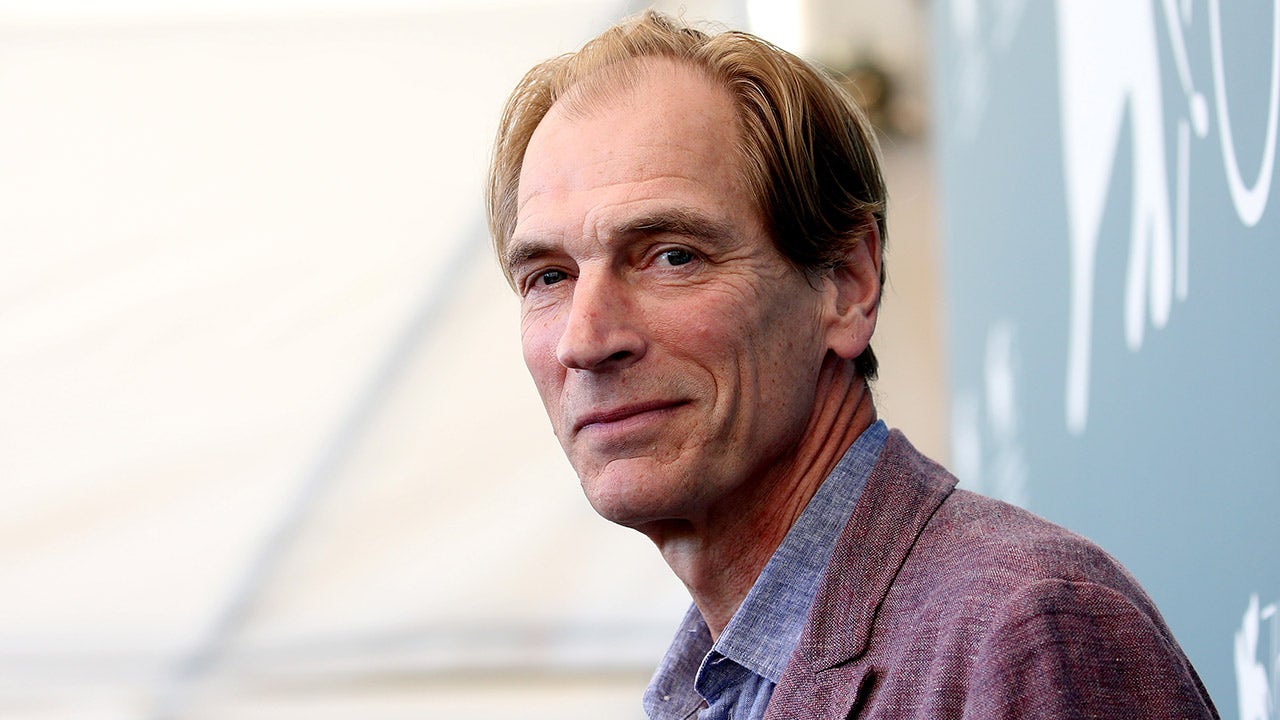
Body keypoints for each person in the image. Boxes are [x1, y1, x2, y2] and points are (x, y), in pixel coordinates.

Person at [486, 10, 1219, 720]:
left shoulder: (1028, 632)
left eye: (672, 256)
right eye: (548, 277)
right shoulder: (720, 683)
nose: (585, 340)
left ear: (847, 283)